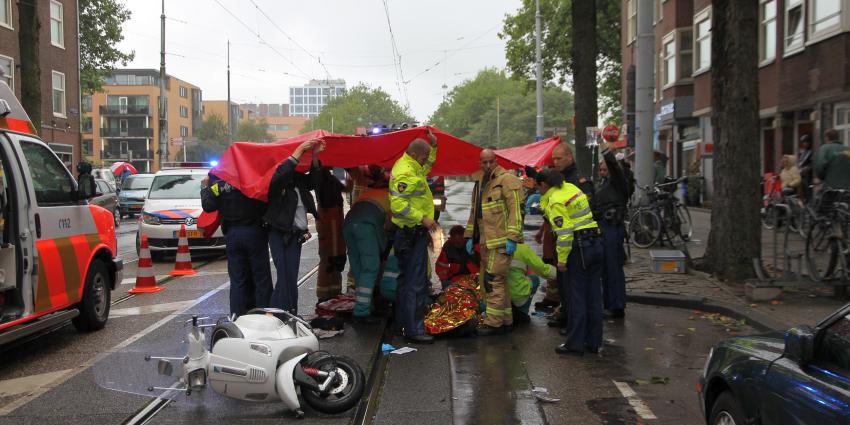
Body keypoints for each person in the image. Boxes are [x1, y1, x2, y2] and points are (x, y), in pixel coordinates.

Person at [536, 169, 604, 356]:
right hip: (595, 243)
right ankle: (593, 341)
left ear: (544, 186)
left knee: (577, 299)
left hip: (579, 248)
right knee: (594, 297)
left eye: (538, 186)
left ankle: (574, 344)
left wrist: (562, 261)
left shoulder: (555, 200)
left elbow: (564, 233)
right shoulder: (571, 187)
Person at [464, 148, 523, 336]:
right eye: (484, 162)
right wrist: (469, 236)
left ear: (496, 160)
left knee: (493, 280)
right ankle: (505, 320)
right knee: (499, 281)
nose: (488, 165)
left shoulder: (507, 180)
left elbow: (516, 211)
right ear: (479, 163)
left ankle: (493, 323)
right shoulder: (481, 181)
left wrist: (512, 237)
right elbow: (476, 212)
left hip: (501, 241)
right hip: (486, 240)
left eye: (491, 161)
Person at [534, 143, 594, 327]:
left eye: (559, 158)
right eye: (554, 159)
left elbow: (571, 216)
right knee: (564, 283)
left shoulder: (578, 180)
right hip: (564, 238)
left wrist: (563, 257)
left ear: (570, 157)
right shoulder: (560, 178)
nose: (556, 162)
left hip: (576, 240)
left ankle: (573, 322)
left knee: (573, 284)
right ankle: (566, 312)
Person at [389, 130, 438, 344]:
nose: (427, 161)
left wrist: (433, 148)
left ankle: (402, 323)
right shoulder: (405, 173)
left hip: (409, 233)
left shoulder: (412, 168)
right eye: (425, 156)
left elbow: (426, 169)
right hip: (411, 233)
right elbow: (398, 204)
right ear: (417, 155)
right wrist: (423, 219)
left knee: (406, 281)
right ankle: (414, 329)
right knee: (415, 282)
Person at [265, 139, 324, 314]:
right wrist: (298, 152)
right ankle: (276, 314)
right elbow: (280, 176)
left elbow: (314, 181)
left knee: (290, 277)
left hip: (295, 235)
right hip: (278, 233)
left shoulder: (298, 180)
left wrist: (315, 157)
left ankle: (290, 313)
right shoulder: (276, 180)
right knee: (284, 276)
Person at [201, 174, 271, 316]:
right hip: (254, 232)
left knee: (238, 280)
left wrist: (204, 187)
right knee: (261, 279)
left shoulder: (219, 184)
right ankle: (265, 317)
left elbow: (208, 206)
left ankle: (237, 317)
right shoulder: (253, 179)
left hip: (233, 234)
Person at [343, 183, 391, 323]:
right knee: (370, 267)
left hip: (349, 224)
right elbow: (389, 225)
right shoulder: (393, 197)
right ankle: (362, 312)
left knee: (358, 268)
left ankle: (365, 305)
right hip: (365, 225)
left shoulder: (372, 193)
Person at [594, 142, 630, 319]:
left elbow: (615, 168)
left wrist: (607, 153)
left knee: (613, 267)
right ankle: (609, 303)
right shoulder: (605, 183)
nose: (602, 172)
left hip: (612, 227)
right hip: (604, 227)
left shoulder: (618, 182)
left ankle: (616, 305)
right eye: (600, 169)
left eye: (604, 169)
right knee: (605, 268)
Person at [315, 167, 347, 302]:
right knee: (331, 259)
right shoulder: (323, 178)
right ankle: (326, 295)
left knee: (334, 257)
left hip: (332, 217)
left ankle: (333, 292)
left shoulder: (328, 178)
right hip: (330, 218)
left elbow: (345, 188)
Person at [508, 243, 556, 324]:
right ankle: (522, 312)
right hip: (517, 296)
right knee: (534, 278)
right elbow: (544, 270)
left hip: (496, 301)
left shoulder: (492, 247)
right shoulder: (521, 249)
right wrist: (562, 275)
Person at [797, 135, 813, 203]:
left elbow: (812, 163)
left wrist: (806, 169)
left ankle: (808, 201)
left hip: (808, 175)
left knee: (808, 191)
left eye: (806, 142)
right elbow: (800, 162)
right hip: (801, 174)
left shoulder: (811, 151)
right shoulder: (803, 151)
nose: (805, 144)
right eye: (803, 142)